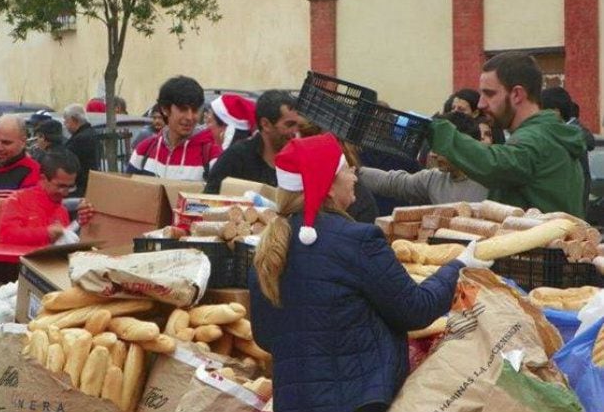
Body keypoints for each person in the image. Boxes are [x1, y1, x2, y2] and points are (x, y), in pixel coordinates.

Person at [248, 133, 491, 412]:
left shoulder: (269, 247)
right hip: (359, 401)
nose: (354, 176)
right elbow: (415, 309)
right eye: (347, 170)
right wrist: (460, 266)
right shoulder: (358, 239)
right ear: (326, 186)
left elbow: (266, 336)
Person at [430, 51, 586, 217]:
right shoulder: (547, 133)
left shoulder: (536, 139)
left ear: (517, 94)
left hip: (540, 243)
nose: (481, 104)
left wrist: (437, 131)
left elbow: (493, 165)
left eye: (489, 94)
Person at [361, 111, 489, 205]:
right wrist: (353, 170)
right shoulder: (433, 179)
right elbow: (393, 183)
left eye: (441, 148)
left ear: (462, 145)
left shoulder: (491, 182)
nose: (433, 154)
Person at [204, 90, 300, 193]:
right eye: (289, 125)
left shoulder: (301, 159)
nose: (296, 132)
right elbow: (207, 202)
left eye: (299, 126)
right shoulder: (236, 159)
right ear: (266, 124)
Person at [128, 76, 222, 181]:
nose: (190, 117)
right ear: (165, 109)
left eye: (195, 110)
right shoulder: (143, 151)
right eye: (183, 109)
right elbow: (130, 193)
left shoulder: (212, 154)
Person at [0, 150, 94, 246]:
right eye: (60, 186)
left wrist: (82, 222)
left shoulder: (62, 211)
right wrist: (46, 233)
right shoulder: (17, 200)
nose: (65, 193)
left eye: (70, 187)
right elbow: (5, 236)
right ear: (43, 178)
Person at [541, 87, 594, 215]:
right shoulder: (565, 132)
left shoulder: (572, 134)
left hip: (572, 204)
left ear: (555, 111)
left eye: (542, 111)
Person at [63, 104, 97, 197]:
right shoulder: (91, 133)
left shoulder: (80, 139)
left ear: (74, 120)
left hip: (81, 187)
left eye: (66, 122)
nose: (65, 126)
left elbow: (69, 162)